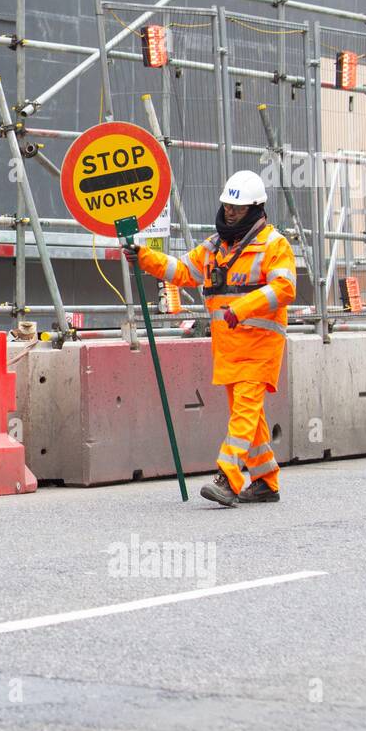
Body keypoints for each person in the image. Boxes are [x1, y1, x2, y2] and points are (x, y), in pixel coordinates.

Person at [124, 170, 296, 507]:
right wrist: (143, 257)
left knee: (244, 412)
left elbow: (285, 287)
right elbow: (184, 271)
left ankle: (227, 478)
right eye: (227, 206)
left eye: (238, 208)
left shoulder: (275, 245)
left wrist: (243, 307)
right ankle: (265, 480)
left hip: (259, 346)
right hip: (229, 347)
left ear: (256, 209)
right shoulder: (215, 246)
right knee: (249, 416)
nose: (230, 212)